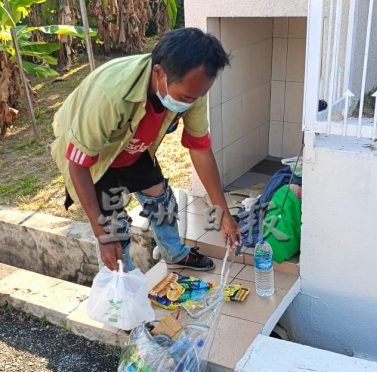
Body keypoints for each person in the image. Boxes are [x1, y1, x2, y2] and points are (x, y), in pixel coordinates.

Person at [51, 27, 241, 272]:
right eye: (185, 97)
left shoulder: (193, 89)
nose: (190, 103)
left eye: (197, 96)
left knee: (161, 200)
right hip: (95, 158)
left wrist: (223, 212)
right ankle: (126, 285)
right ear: (159, 73)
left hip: (134, 146)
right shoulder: (110, 94)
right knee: (114, 233)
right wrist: (102, 236)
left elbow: (200, 149)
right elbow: (78, 164)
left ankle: (174, 254)